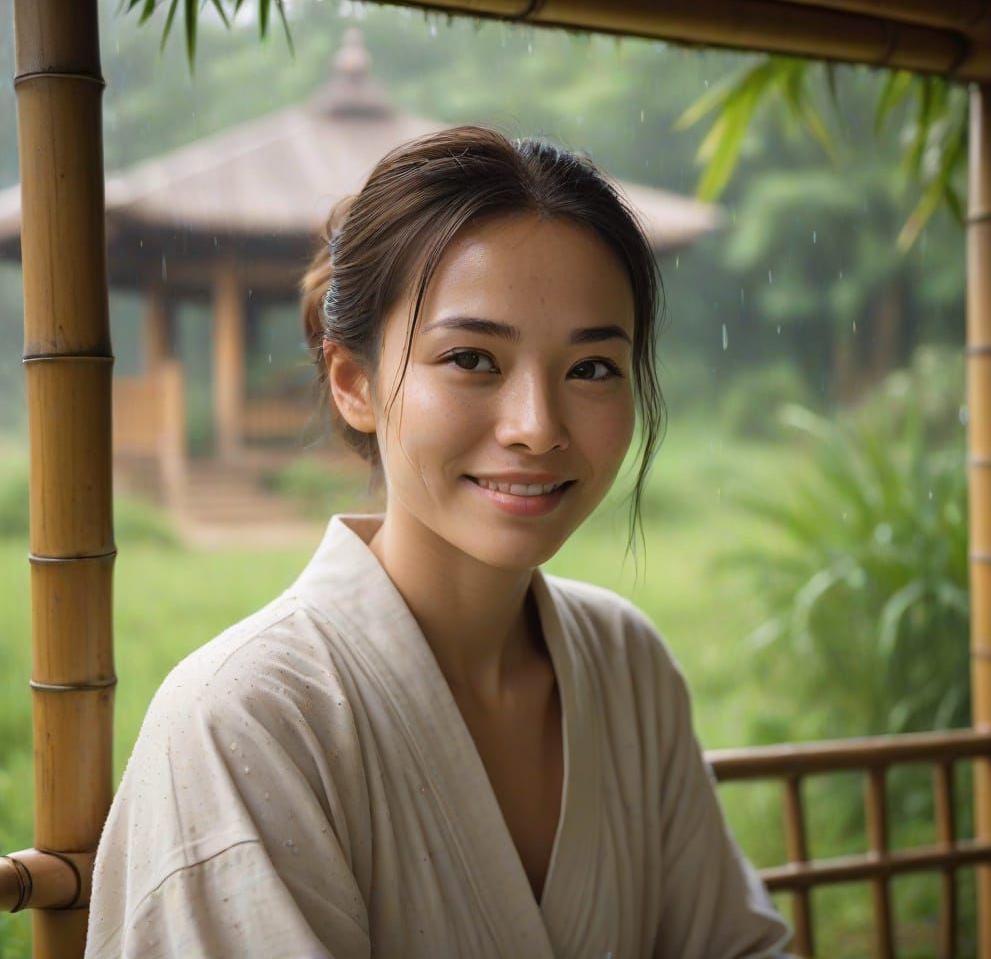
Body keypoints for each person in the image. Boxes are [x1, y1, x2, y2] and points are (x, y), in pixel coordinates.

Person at [85, 125, 792, 958]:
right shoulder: (246, 720)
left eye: (592, 368)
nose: (536, 427)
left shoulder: (626, 664)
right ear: (353, 381)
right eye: (471, 358)